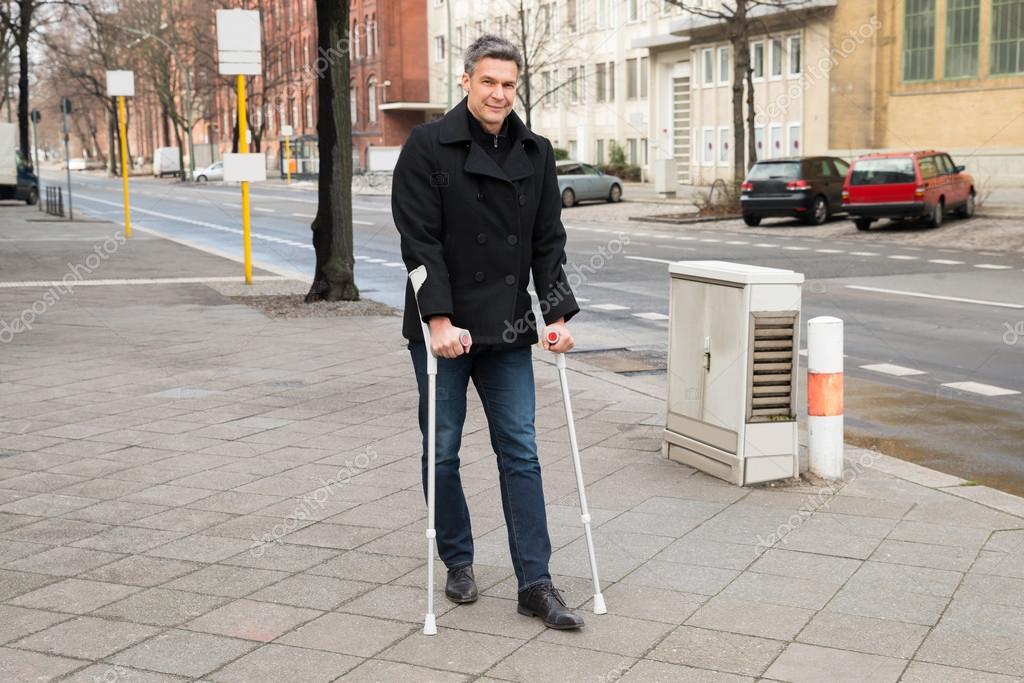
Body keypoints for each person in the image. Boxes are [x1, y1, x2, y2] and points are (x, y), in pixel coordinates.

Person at [392, 34, 584, 630]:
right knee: (442, 452)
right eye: (488, 82)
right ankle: (458, 559)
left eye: (508, 84)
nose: (499, 93)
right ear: (466, 82)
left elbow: (548, 240)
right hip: (444, 328)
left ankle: (536, 581)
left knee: (521, 452)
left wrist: (554, 315)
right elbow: (419, 241)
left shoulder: (536, 150)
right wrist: (441, 321)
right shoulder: (426, 146)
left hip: (507, 325)